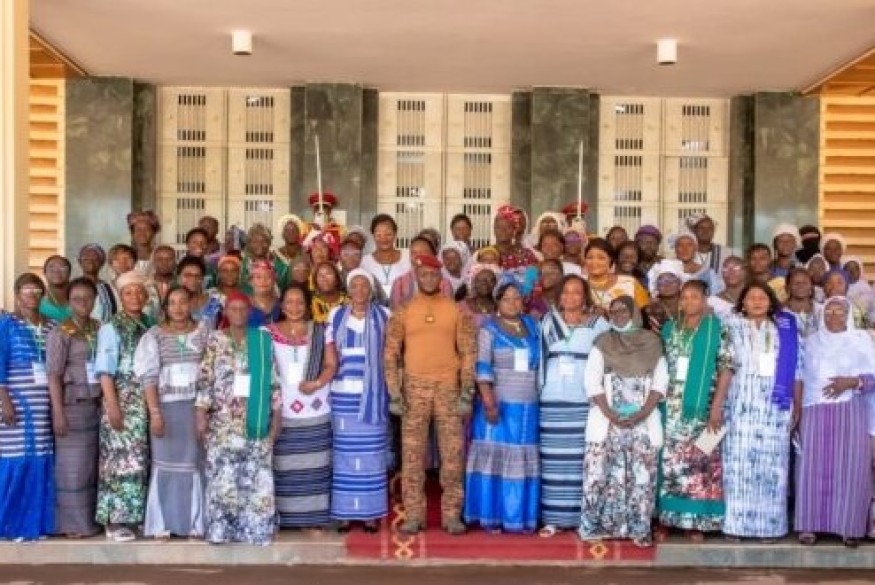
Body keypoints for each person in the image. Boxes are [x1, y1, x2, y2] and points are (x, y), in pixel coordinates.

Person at [384, 254, 477, 535]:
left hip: (448, 389)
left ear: (441, 278)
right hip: (413, 389)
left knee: (452, 456)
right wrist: (394, 392)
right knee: (412, 457)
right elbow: (390, 353)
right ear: (416, 276)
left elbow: (468, 352)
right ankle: (414, 515)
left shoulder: (456, 311)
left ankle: (451, 515)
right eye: (423, 274)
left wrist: (467, 391)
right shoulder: (403, 311)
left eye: (433, 275)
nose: (428, 279)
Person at [579, 295, 667, 547]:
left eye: (623, 310)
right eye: (613, 311)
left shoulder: (652, 342)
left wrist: (642, 413)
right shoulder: (603, 342)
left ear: (634, 313)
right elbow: (591, 382)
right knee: (600, 475)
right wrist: (611, 413)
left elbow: (661, 382)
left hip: (642, 421)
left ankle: (639, 529)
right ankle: (595, 526)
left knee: (641, 477)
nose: (618, 314)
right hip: (607, 422)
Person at [717, 283, 801, 542]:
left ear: (771, 301)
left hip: (775, 407)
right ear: (742, 302)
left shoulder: (785, 328)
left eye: (762, 297)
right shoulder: (731, 325)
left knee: (772, 467)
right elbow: (725, 365)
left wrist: (796, 404)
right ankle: (736, 526)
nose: (756, 301)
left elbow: (798, 368)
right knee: (737, 465)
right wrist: (718, 403)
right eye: (751, 297)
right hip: (740, 404)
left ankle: (770, 528)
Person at [196, 290, 281, 545]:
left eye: (243, 309)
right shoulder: (215, 340)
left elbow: (274, 383)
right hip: (222, 422)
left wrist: (277, 418)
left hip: (255, 418)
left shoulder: (262, 341)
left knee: (256, 477)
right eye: (233, 309)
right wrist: (200, 414)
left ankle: (255, 531)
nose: (238, 313)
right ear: (225, 313)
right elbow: (204, 380)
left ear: (250, 312)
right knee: (223, 478)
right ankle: (222, 531)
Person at [796, 296, 875, 548]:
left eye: (840, 311)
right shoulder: (809, 343)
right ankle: (809, 525)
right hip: (813, 410)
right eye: (829, 311)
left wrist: (852, 382)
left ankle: (849, 527)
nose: (833, 315)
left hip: (851, 410)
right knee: (810, 468)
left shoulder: (861, 341)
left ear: (849, 315)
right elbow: (799, 376)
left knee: (850, 468)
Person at [657, 280, 732, 540]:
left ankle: (696, 522)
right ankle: (667, 519)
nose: (689, 302)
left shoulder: (717, 330)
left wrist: (716, 407)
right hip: (671, 407)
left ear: (705, 301)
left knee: (700, 464)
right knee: (669, 464)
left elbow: (726, 369)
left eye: (695, 297)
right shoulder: (669, 329)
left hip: (704, 408)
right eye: (685, 297)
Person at [465, 280, 540, 534]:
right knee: (496, 461)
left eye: (517, 298)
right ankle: (493, 517)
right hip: (498, 405)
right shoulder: (488, 330)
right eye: (507, 298)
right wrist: (488, 401)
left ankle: (520, 517)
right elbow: (482, 366)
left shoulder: (532, 325)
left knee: (522, 459)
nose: (513, 303)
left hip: (529, 405)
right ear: (498, 302)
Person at [135, 285, 209, 539]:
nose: (178, 308)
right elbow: (149, 377)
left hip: (196, 409)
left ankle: (194, 525)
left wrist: (204, 410)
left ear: (191, 304)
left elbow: (210, 373)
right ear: (165, 307)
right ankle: (162, 525)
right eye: (172, 303)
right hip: (166, 410)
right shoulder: (153, 336)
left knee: (193, 464)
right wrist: (155, 413)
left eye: (183, 302)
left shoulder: (204, 332)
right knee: (165, 466)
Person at [538, 276, 609, 537]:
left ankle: (583, 518)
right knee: (553, 463)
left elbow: (607, 362)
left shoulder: (599, 324)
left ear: (585, 296)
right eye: (566, 292)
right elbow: (539, 360)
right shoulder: (547, 322)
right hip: (552, 402)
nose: (571, 297)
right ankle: (552, 519)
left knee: (583, 462)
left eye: (577, 292)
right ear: (559, 297)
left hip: (584, 402)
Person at [268, 283, 338, 529]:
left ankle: (314, 519)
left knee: (316, 467)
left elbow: (331, 364)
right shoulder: (268, 332)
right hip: (283, 412)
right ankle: (287, 519)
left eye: (300, 302)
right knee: (285, 467)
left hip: (317, 410)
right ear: (281, 305)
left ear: (308, 305)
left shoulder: (321, 330)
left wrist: (317, 383)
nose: (294, 307)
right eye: (289, 302)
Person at [327, 269, 391, 533]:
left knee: (373, 454)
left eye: (365, 285)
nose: (360, 290)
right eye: (355, 285)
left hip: (373, 396)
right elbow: (330, 350)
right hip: (343, 396)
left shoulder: (386, 316)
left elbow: (392, 354)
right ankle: (344, 513)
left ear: (372, 289)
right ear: (349, 289)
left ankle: (370, 514)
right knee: (344, 453)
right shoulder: (336, 314)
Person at [94, 271, 152, 542]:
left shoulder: (150, 324)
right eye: (128, 292)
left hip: (143, 404)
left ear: (147, 295)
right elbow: (105, 372)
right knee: (116, 462)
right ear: (120, 296)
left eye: (139, 291)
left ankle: (133, 516)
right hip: (120, 402)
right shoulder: (110, 327)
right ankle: (114, 521)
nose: (135, 297)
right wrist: (112, 406)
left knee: (138, 463)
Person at [0, 273, 56, 540]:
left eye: (37, 289)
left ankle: (34, 525)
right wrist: (5, 401)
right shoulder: (6, 324)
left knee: (40, 460)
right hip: (16, 402)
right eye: (26, 289)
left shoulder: (52, 326)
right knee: (16, 459)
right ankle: (11, 524)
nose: (32, 294)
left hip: (43, 402)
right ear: (16, 293)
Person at [46, 277, 102, 538]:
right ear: (68, 302)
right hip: (71, 406)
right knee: (71, 469)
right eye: (77, 299)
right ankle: (70, 525)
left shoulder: (99, 328)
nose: (83, 303)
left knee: (90, 467)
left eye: (88, 298)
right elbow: (54, 374)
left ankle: (87, 521)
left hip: (95, 405)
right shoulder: (61, 333)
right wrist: (57, 412)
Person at [584, 238, 649, 313]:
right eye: (590, 257)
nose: (594, 262)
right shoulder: (578, 285)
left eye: (601, 258)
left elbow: (645, 314)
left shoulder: (630, 282)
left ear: (610, 260)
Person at [389, 236, 453, 310]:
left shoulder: (445, 284)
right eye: (413, 252)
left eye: (423, 252)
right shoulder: (399, 283)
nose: (418, 256)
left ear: (433, 255)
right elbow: (395, 313)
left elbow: (449, 312)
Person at [360, 214, 410, 302]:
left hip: (404, 310)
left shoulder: (408, 257)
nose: (384, 239)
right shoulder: (364, 262)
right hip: (375, 312)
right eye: (379, 235)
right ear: (373, 235)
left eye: (388, 234)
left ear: (395, 234)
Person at [240, 224, 290, 294]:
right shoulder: (240, 267)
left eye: (264, 241)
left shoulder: (282, 268)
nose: (260, 244)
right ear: (249, 243)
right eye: (255, 241)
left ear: (269, 243)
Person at [177, 256, 223, 330]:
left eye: (197, 276)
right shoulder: (172, 305)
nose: (193, 279)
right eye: (188, 275)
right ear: (179, 278)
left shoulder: (213, 303)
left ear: (202, 279)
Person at [77, 244, 117, 324]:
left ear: (101, 262)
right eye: (86, 259)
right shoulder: (73, 287)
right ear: (80, 262)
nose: (90, 261)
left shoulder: (110, 288)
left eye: (95, 259)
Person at [645, 259, 684, 333]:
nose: (667, 284)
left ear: (680, 283)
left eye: (672, 278)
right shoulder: (650, 310)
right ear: (656, 286)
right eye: (661, 279)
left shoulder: (689, 305)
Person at [494, 205, 538, 270]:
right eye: (499, 227)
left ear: (514, 230)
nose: (503, 230)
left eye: (508, 227)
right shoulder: (483, 254)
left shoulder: (527, 255)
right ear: (494, 229)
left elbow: (533, 277)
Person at [457, 264, 500, 329]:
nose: (486, 283)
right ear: (472, 282)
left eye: (491, 280)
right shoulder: (460, 307)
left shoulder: (501, 306)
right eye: (481, 280)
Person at [782, 267, 820, 338]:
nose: (801, 286)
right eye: (796, 283)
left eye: (805, 283)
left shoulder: (821, 310)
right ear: (788, 287)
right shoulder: (780, 313)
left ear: (811, 286)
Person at [246, 259, 282, 327]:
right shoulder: (241, 305)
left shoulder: (282, 306)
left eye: (268, 277)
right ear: (250, 281)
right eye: (258, 277)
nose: (263, 281)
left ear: (274, 280)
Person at [40, 254, 73, 322]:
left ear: (69, 272)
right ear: (44, 272)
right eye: (51, 267)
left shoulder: (80, 297)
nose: (57, 271)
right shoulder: (37, 299)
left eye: (62, 267)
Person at [127, 210, 161, 275]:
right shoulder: (124, 255)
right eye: (138, 229)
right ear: (132, 233)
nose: (142, 233)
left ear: (154, 232)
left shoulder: (161, 255)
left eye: (147, 229)